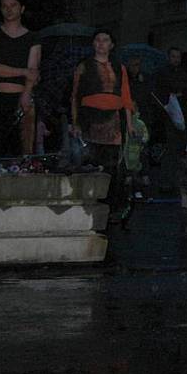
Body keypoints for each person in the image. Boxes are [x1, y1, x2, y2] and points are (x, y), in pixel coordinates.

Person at [71, 29, 134, 226]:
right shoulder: (84, 66)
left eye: (105, 40)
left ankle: (110, 207)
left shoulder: (119, 67)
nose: (100, 43)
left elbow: (126, 97)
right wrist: (75, 122)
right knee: (91, 163)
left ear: (111, 45)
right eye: (97, 40)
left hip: (114, 121)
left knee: (112, 168)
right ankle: (88, 205)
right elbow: (74, 96)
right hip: (90, 119)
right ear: (93, 44)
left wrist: (130, 124)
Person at [0, 0, 41, 158]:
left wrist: (26, 93)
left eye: (13, 5)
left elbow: (33, 71)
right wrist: (22, 71)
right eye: (5, 6)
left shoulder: (33, 38)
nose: (9, 10)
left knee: (22, 152)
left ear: (21, 8)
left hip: (21, 97)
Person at [155, 47, 187, 193]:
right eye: (173, 57)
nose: (176, 60)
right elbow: (160, 94)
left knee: (181, 149)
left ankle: (178, 181)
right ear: (169, 57)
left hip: (183, 117)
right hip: (169, 118)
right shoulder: (162, 74)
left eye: (178, 57)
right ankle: (167, 182)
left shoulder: (184, 75)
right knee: (171, 150)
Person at [123, 102, 150, 201]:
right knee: (130, 175)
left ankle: (142, 195)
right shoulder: (126, 124)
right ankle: (130, 195)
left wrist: (140, 140)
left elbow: (145, 137)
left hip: (138, 152)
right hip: (129, 153)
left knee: (142, 174)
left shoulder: (140, 123)